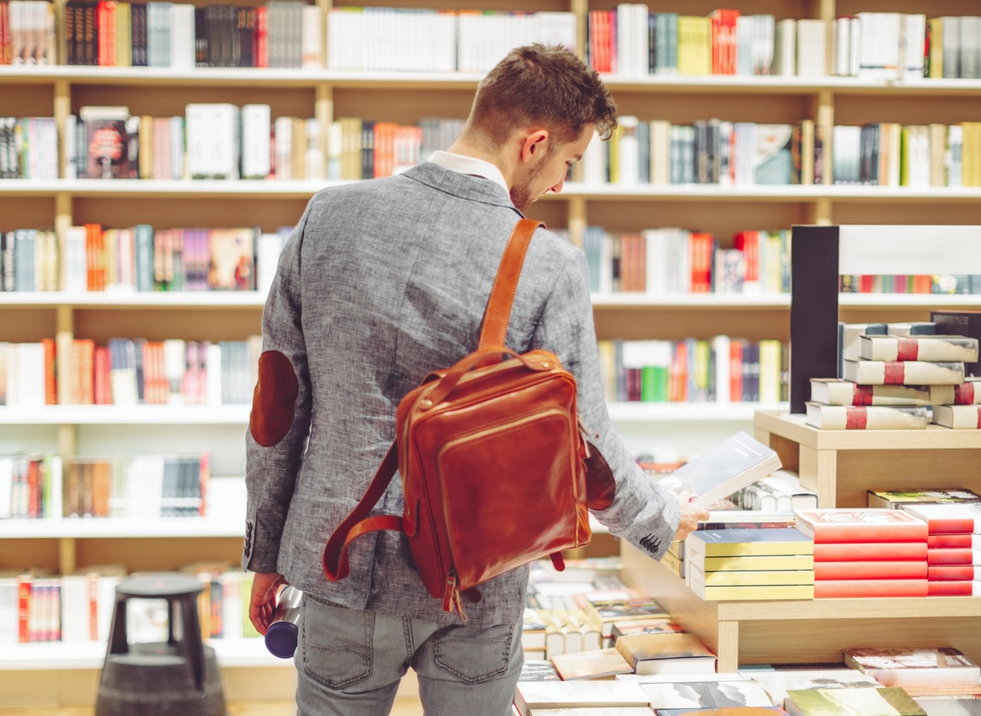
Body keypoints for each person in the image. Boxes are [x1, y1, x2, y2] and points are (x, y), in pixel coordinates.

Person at [243, 43, 711, 715]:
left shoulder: (327, 216)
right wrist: (660, 517)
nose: (559, 184)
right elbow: (585, 444)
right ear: (535, 143)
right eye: (566, 163)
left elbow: (278, 405)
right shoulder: (548, 263)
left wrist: (266, 548)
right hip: (477, 578)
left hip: (337, 562)